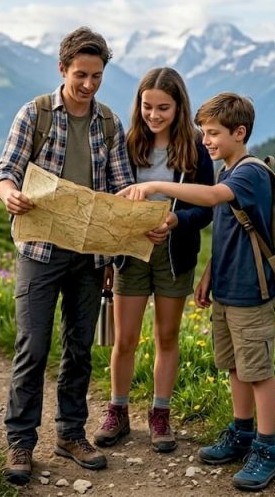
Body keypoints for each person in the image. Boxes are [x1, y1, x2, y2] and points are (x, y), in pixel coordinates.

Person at [118, 92, 275, 491]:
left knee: (258, 371)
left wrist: (157, 185)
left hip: (252, 289)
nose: (205, 140)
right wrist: (209, 273)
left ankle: (267, 448)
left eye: (213, 133)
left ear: (239, 133)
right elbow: (232, 231)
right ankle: (242, 432)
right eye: (204, 132)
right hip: (227, 285)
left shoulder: (249, 172)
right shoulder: (228, 171)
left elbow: (209, 199)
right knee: (233, 365)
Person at [0, 26, 134, 485]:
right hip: (39, 249)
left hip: (89, 256)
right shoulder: (34, 114)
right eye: (81, 75)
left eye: (96, 76)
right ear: (62, 69)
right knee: (32, 347)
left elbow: (118, 189)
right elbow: (5, 171)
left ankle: (71, 434)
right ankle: (20, 441)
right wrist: (9, 193)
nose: (89, 85)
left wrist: (129, 235)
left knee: (79, 347)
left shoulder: (110, 123)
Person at [92, 67, 213, 453]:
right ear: (138, 104)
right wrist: (109, 257)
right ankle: (118, 411)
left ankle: (160, 414)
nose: (155, 115)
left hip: (175, 254)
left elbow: (207, 208)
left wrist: (176, 220)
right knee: (124, 338)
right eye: (147, 106)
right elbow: (112, 200)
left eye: (164, 107)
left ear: (179, 107)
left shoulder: (195, 148)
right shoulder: (127, 144)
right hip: (130, 253)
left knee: (167, 336)